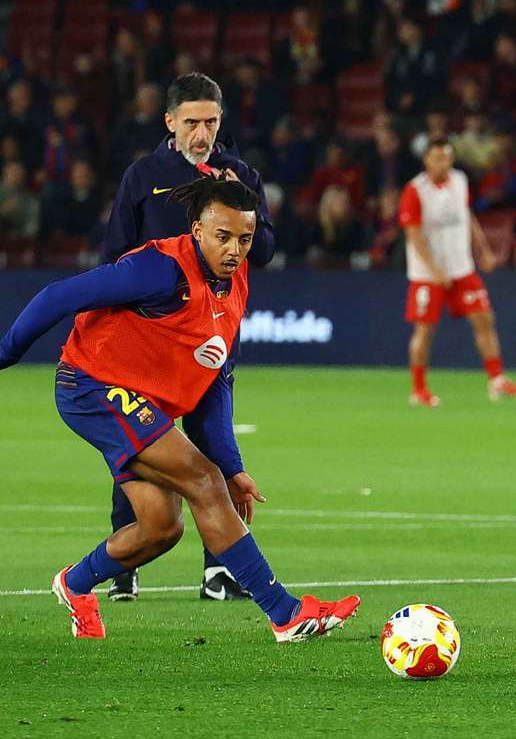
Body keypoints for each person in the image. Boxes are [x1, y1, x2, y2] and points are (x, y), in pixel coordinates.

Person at [0, 177, 359, 642]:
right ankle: (286, 614)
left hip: (139, 400)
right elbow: (58, 297)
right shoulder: (160, 270)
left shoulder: (235, 282)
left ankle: (74, 584)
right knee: (202, 481)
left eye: (245, 240)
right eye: (223, 236)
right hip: (91, 385)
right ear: (197, 230)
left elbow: (216, 379)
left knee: (161, 528)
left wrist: (233, 465)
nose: (234, 250)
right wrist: (5, 354)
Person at [101, 71, 275, 603]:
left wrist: (231, 197)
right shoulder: (144, 175)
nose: (203, 133)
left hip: (210, 342)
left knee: (212, 447)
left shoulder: (239, 173)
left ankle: (219, 570)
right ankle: (124, 563)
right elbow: (115, 252)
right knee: (138, 450)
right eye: (193, 122)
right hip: (148, 346)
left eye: (212, 121)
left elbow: (264, 248)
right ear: (170, 121)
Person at [399, 139, 516, 407]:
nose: (443, 163)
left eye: (447, 157)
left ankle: (496, 380)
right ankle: (418, 389)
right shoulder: (414, 191)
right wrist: (434, 270)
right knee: (425, 331)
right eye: (437, 158)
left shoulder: (459, 180)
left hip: (461, 268)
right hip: (427, 275)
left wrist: (483, 250)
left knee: (484, 319)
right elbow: (414, 235)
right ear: (426, 160)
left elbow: (467, 216)